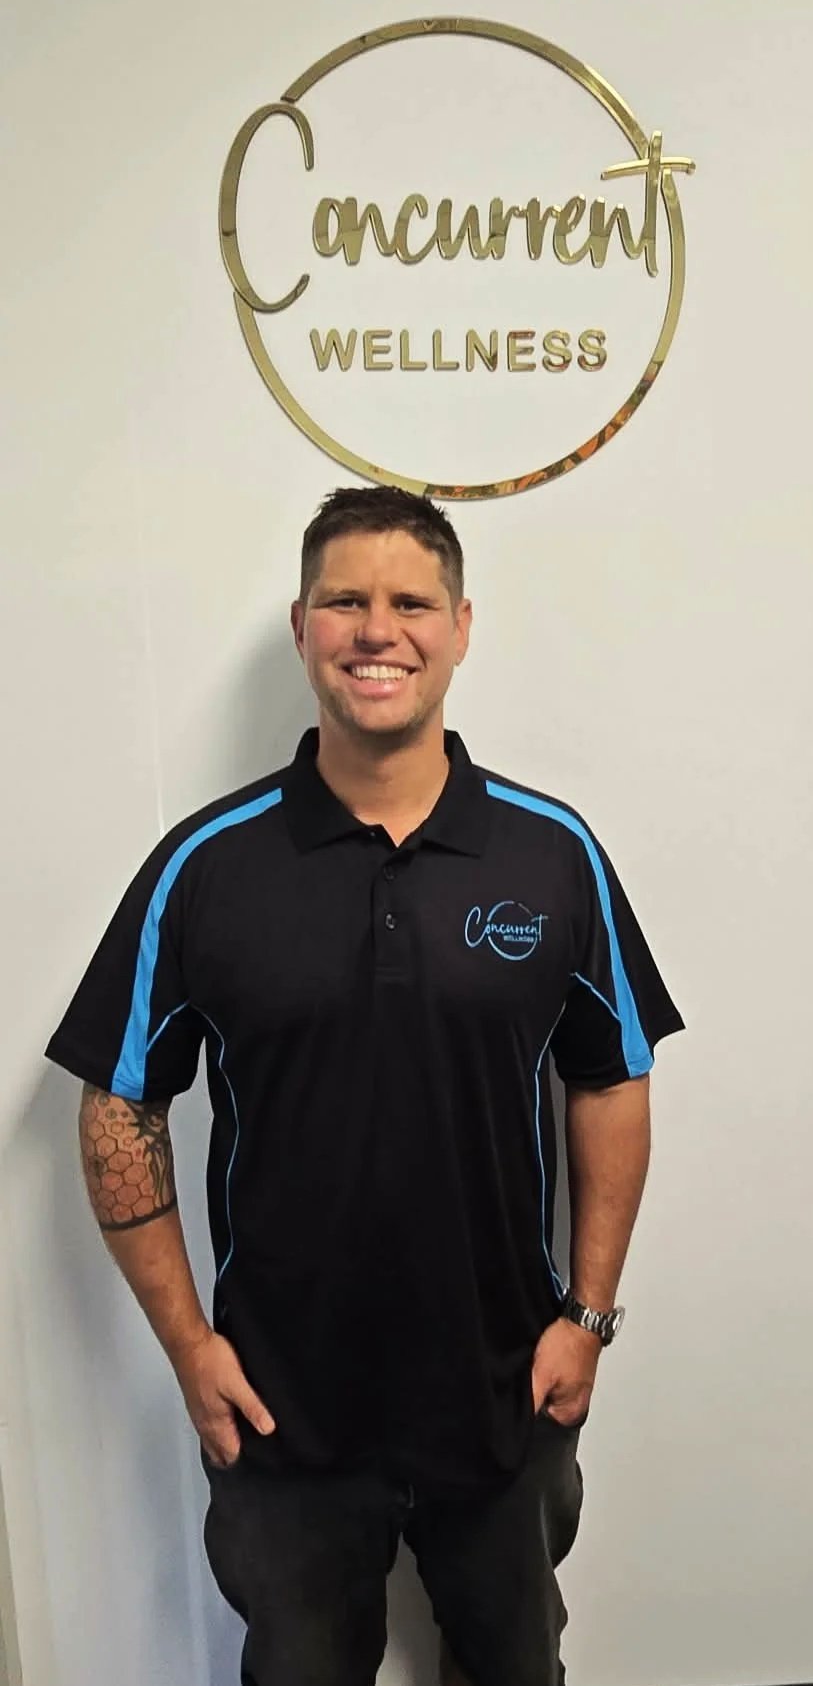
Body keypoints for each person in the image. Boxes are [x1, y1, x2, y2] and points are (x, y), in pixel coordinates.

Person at [46, 484, 683, 1686]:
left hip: (507, 1397)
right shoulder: (204, 867)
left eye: (408, 601)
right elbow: (120, 1100)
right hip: (285, 1413)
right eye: (344, 599)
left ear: (460, 625)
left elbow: (611, 1078)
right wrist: (190, 1348)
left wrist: (587, 1319)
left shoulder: (552, 853)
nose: (375, 628)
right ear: (301, 628)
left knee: (514, 1670)